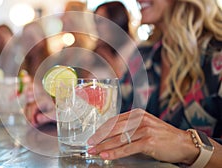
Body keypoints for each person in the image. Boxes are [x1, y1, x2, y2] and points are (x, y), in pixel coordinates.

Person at [87, 0, 222, 167]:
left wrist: (187, 144)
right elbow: (112, 109)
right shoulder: (143, 56)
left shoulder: (218, 55)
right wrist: (67, 104)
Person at [92, 1, 134, 78]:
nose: (96, 28)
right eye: (95, 22)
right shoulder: (100, 50)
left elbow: (128, 85)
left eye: (100, 21)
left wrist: (109, 59)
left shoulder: (133, 50)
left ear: (116, 22)